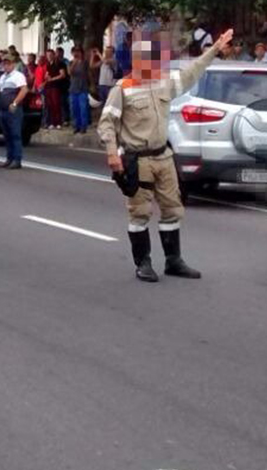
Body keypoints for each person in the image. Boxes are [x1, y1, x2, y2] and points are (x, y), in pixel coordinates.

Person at [97, 23, 234, 283]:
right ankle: (143, 262)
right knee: (140, 212)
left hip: (164, 157)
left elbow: (192, 71)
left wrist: (215, 48)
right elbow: (106, 124)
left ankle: (173, 260)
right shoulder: (122, 89)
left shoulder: (163, 83)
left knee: (173, 209)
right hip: (139, 160)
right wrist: (113, 154)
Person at [0, 55, 29, 169]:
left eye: (8, 63)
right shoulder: (2, 77)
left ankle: (17, 159)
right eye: (4, 63)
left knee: (15, 134)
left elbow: (24, 90)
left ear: (13, 64)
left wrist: (15, 103)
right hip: (3, 109)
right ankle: (9, 158)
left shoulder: (18, 76)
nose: (6, 66)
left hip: (13, 110)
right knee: (7, 135)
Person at [68, 46, 91, 134]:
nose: (76, 54)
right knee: (74, 109)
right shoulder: (70, 63)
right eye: (74, 52)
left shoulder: (85, 63)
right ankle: (76, 126)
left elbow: (89, 72)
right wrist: (74, 62)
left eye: (78, 52)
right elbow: (70, 73)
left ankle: (83, 126)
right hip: (73, 88)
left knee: (83, 108)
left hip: (83, 88)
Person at [43, 49, 66, 128]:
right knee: (50, 105)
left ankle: (58, 122)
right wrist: (46, 77)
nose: (48, 57)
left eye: (50, 55)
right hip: (49, 87)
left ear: (53, 55)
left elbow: (62, 75)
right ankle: (52, 122)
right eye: (47, 55)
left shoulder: (59, 63)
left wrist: (52, 79)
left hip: (56, 86)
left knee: (56, 105)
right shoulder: (48, 64)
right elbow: (47, 74)